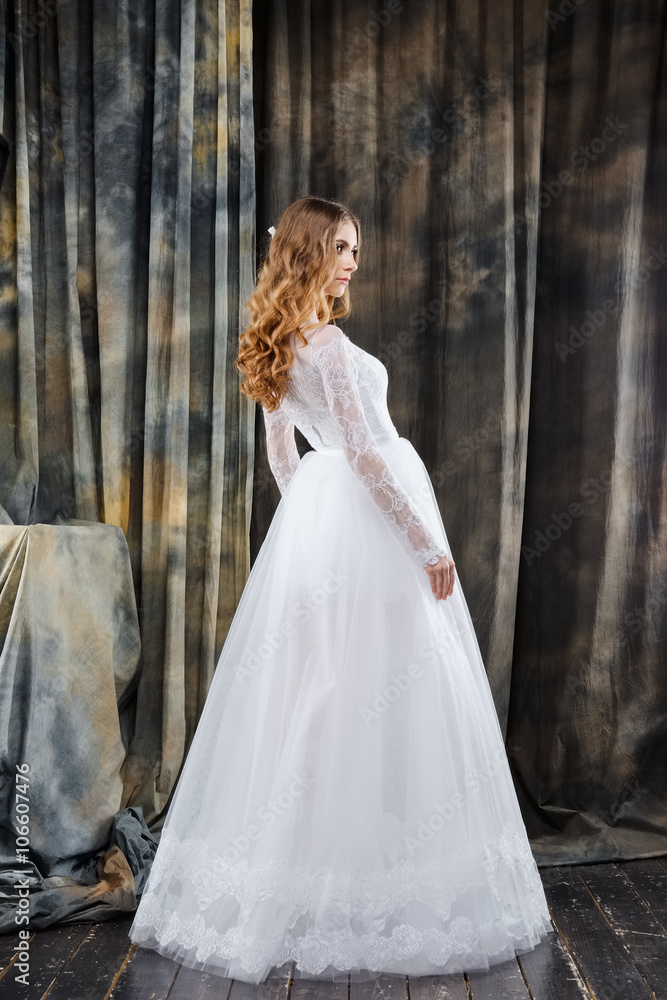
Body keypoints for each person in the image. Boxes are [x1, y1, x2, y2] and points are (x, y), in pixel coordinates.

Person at [128, 195, 554, 985]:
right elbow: (361, 451)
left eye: (355, 248)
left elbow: (283, 458)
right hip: (375, 520)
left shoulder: (278, 341)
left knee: (325, 693)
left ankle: (304, 872)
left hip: (332, 528)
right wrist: (424, 544)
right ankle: (360, 875)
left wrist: (315, 531)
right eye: (339, 248)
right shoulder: (323, 344)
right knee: (384, 689)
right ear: (305, 252)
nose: (352, 262)